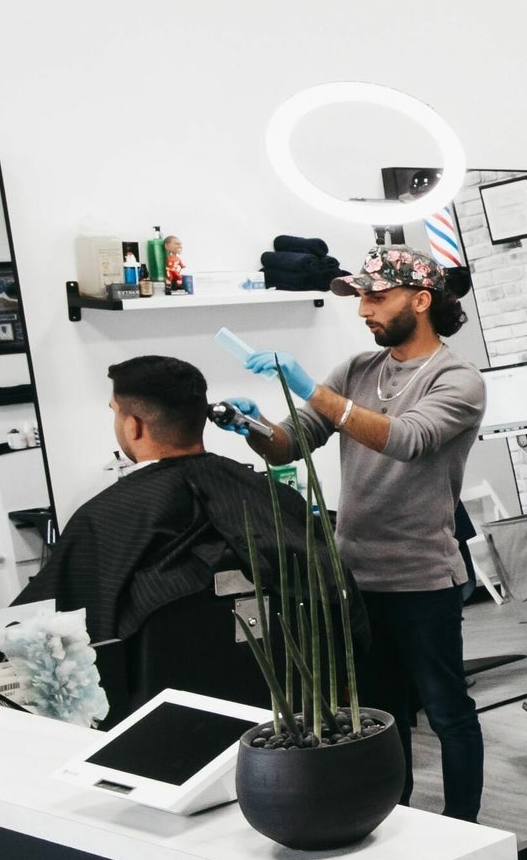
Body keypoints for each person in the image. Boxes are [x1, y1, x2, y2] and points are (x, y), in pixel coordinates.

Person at [226, 248, 490, 820]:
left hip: (423, 576)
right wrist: (250, 424)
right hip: (354, 574)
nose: (363, 310)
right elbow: (291, 443)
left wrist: (308, 386)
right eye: (359, 298)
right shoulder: (356, 370)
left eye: (376, 297)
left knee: (447, 711)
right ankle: (390, 816)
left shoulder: (458, 379)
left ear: (420, 301)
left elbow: (406, 439)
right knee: (379, 712)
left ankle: (463, 825)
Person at [29, 356, 310, 712]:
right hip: (288, 712)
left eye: (115, 411)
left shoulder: (105, 518)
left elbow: (44, 633)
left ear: (133, 425)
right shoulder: (274, 498)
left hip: (160, 716)